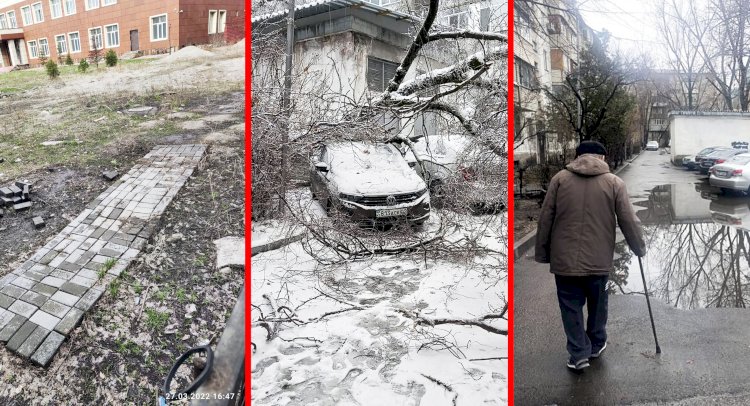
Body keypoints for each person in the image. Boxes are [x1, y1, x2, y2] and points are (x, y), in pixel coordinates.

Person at [535, 140, 646, 371]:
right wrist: (638, 247)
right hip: (599, 262)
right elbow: (628, 220)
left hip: (564, 262)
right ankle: (595, 345)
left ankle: (578, 354)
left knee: (570, 307)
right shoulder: (614, 183)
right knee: (598, 305)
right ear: (601, 158)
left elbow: (546, 219)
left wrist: (544, 253)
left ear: (578, 157)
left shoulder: (559, 180)